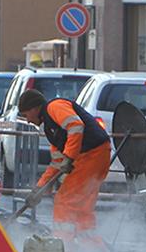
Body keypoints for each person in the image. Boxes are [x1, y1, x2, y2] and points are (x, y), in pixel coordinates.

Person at [17, 89, 111, 243]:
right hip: (96, 155)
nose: (27, 120)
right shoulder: (50, 127)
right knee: (82, 208)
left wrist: (69, 156)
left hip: (91, 156)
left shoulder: (55, 107)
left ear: (34, 108)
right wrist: (39, 189)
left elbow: (76, 126)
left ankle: (63, 248)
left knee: (65, 200)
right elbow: (57, 163)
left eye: (26, 115)